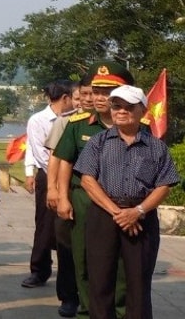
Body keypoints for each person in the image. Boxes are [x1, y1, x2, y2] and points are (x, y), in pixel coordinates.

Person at [76, 85, 180, 319]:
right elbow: (87, 180)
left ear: (142, 110)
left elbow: (164, 184)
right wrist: (118, 213)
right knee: (100, 280)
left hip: (141, 218)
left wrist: (138, 211)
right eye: (116, 106)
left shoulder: (156, 147)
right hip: (105, 215)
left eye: (128, 107)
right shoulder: (98, 142)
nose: (121, 111)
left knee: (139, 283)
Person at [52, 62, 134, 317]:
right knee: (85, 260)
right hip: (85, 200)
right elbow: (65, 161)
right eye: (96, 91)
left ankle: (120, 311)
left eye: (106, 92)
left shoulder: (136, 126)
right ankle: (88, 311)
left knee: (122, 263)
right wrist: (62, 197)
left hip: (123, 202)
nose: (99, 97)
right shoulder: (79, 124)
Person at [22, 80, 77, 299]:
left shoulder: (76, 118)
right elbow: (42, 153)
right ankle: (39, 269)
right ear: (66, 98)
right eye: (75, 97)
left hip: (73, 177)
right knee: (45, 224)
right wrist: (56, 181)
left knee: (67, 227)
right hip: (49, 175)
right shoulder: (38, 120)